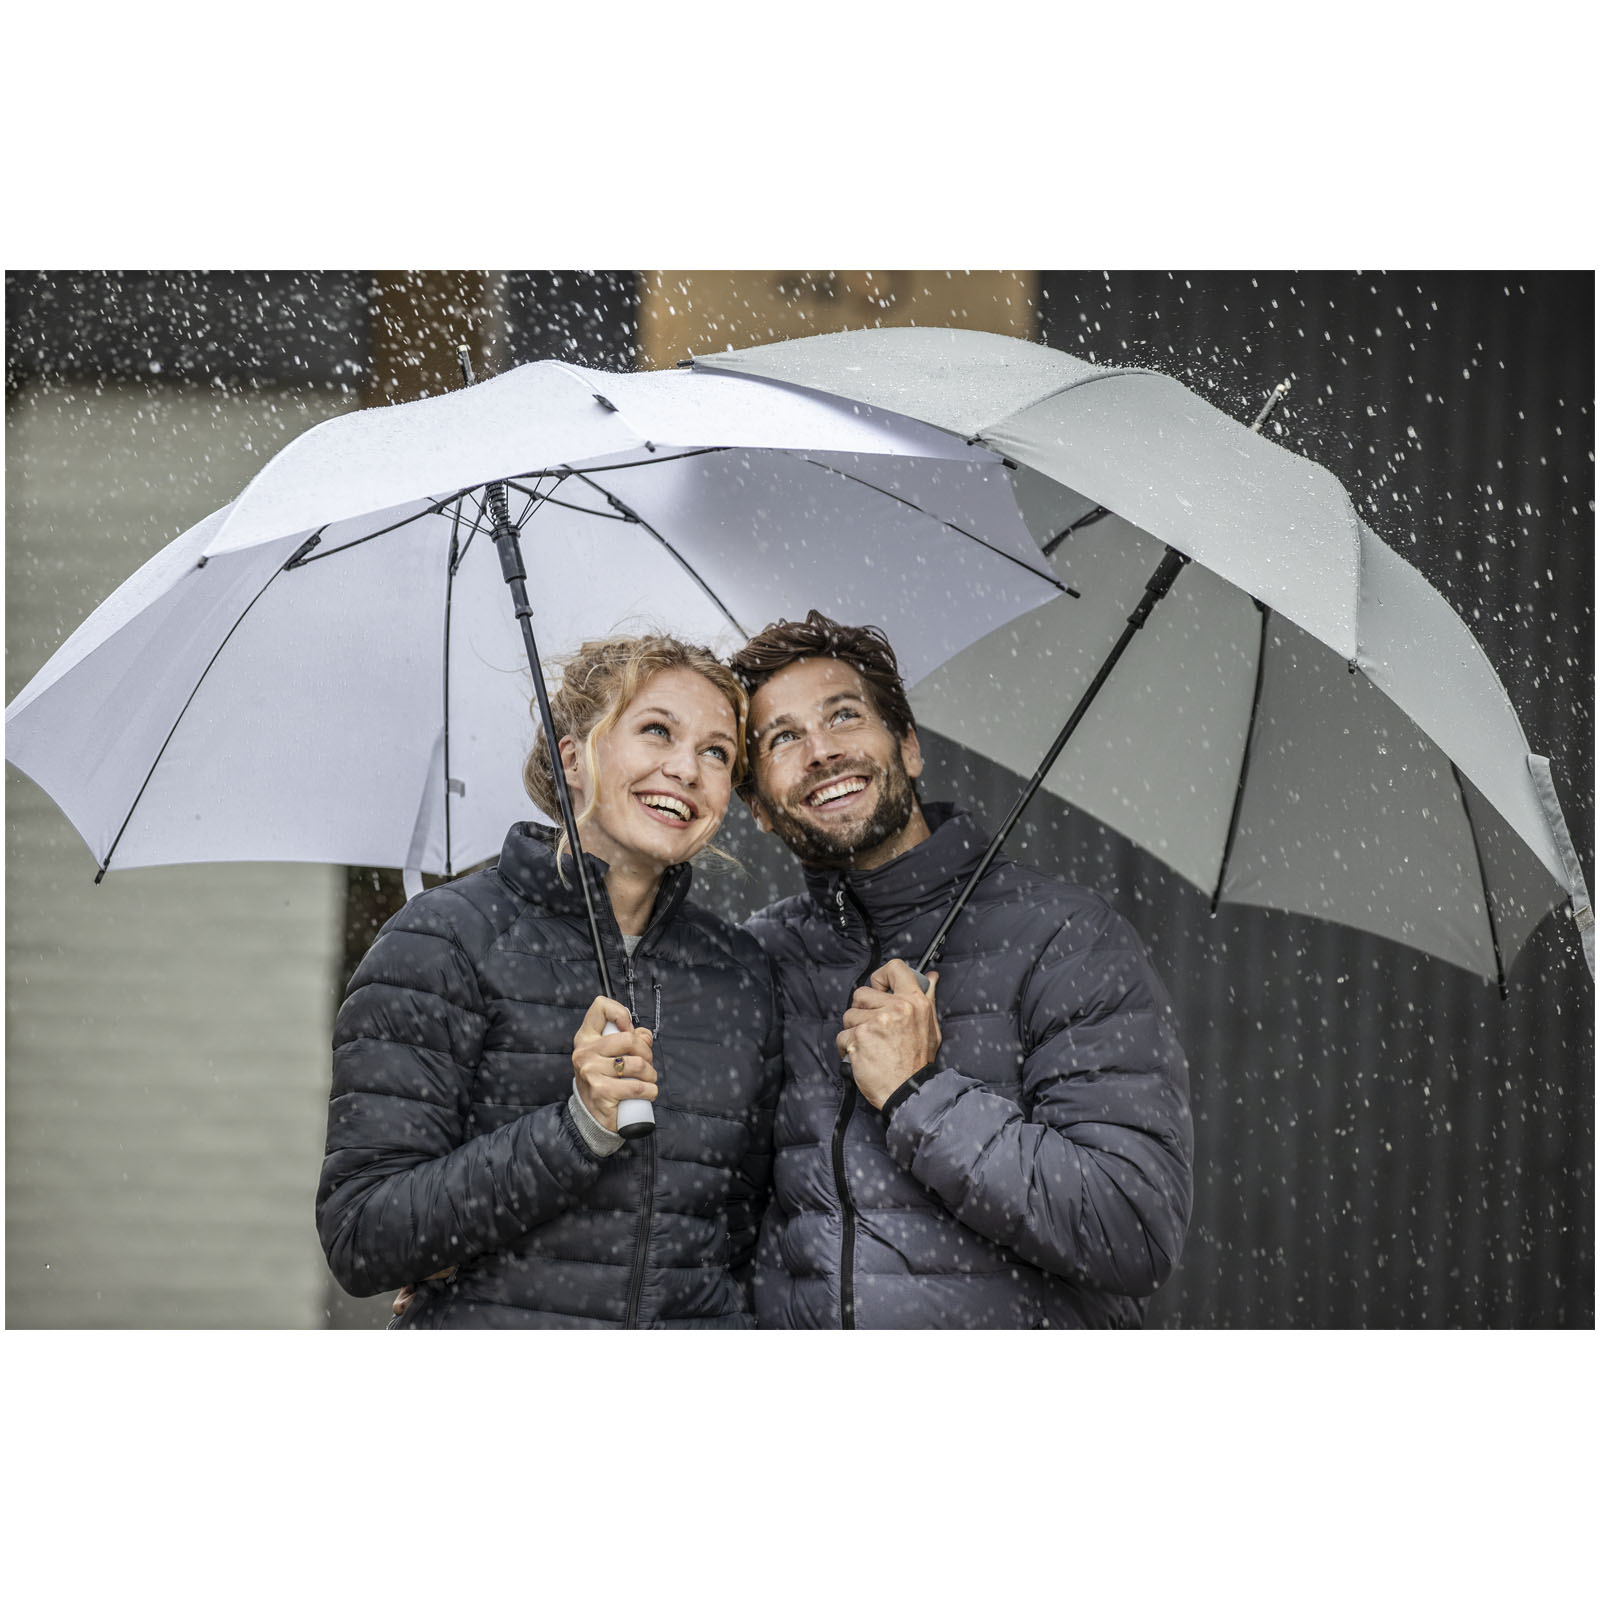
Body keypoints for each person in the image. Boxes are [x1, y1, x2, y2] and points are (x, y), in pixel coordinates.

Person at [728, 611, 1193, 1329]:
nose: (821, 751)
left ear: (909, 747)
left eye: (844, 715)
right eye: (782, 738)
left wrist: (919, 1094)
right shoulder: (755, 960)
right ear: (758, 805)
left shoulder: (1068, 938)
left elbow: (1129, 1230)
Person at [316, 635, 781, 1328]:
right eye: (657, 731)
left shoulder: (739, 974)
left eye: (716, 752)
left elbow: (740, 1237)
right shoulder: (445, 941)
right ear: (573, 760)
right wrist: (576, 1129)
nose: (687, 768)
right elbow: (364, 1237)